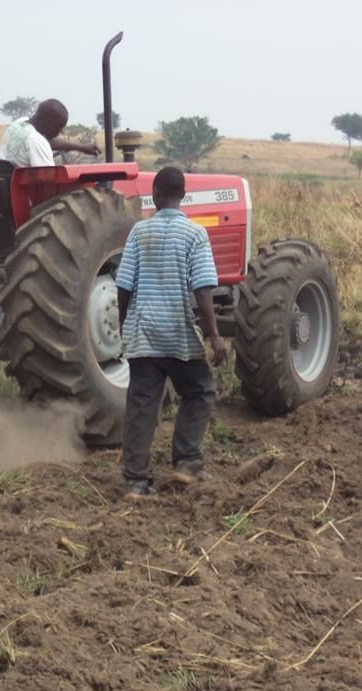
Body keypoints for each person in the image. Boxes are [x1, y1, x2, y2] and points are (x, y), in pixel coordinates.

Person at [115, 166, 229, 500]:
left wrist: (126, 324)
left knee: (141, 405)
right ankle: (187, 462)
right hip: (177, 333)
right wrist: (215, 337)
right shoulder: (195, 235)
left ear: (156, 194)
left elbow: (123, 286)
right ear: (182, 195)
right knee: (199, 391)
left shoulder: (139, 232)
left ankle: (135, 482)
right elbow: (203, 290)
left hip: (145, 334)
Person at [0, 98, 100, 167]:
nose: (60, 132)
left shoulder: (17, 125)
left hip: (0, 188)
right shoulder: (36, 141)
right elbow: (50, 180)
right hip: (25, 197)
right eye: (59, 128)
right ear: (48, 122)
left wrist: (81, 147)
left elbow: (47, 142)